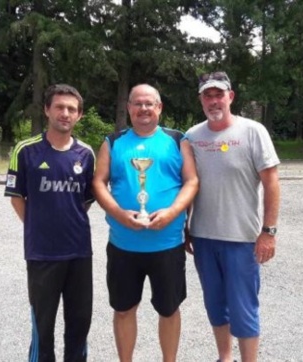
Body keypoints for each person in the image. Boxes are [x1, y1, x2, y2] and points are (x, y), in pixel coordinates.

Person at [92, 84, 198, 362]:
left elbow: (192, 181)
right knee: (124, 309)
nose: (143, 109)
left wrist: (173, 212)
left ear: (159, 107)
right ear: (128, 108)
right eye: (137, 103)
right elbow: (98, 182)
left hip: (167, 244)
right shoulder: (113, 142)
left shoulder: (177, 140)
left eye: (149, 103)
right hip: (124, 244)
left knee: (169, 309)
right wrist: (118, 213)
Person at [185, 71, 281, 362]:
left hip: (241, 239)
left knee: (243, 308)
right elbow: (190, 183)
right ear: (201, 99)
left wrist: (269, 231)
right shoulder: (192, 136)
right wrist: (186, 229)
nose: (213, 101)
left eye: (218, 94)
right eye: (207, 95)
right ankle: (224, 357)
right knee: (215, 305)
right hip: (203, 237)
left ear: (230, 96)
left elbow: (272, 182)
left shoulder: (253, 131)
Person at [5, 84, 96, 362]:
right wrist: (39, 225)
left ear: (79, 115)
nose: (65, 113)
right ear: (47, 110)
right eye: (59, 107)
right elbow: (17, 197)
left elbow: (87, 200)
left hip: (79, 253)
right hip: (42, 253)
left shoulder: (86, 154)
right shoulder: (25, 150)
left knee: (79, 324)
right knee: (42, 328)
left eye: (71, 109)